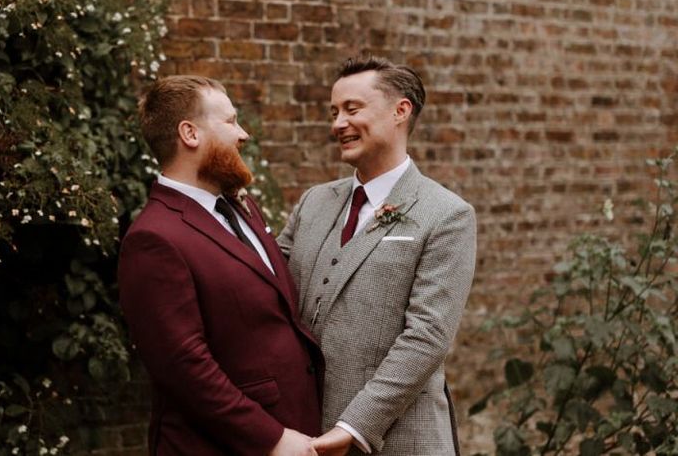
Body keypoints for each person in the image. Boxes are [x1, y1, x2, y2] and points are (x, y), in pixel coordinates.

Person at [278, 56, 477, 456]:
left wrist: (354, 425)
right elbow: (267, 288)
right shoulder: (312, 203)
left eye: (353, 109)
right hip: (303, 435)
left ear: (400, 111)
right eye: (334, 112)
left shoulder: (447, 215)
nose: (338, 124)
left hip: (402, 440)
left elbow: (427, 337)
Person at [118, 75, 323, 456]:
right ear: (189, 133)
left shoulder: (238, 207)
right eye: (229, 122)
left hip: (297, 430)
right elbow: (185, 369)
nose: (242, 134)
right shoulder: (154, 239)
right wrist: (273, 439)